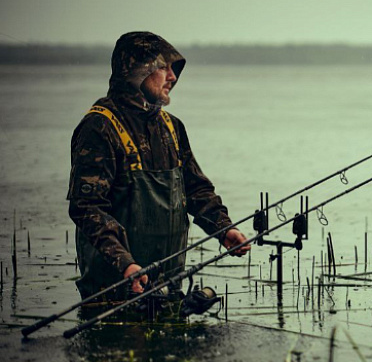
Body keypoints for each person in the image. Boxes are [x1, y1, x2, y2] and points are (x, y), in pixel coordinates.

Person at [68, 31, 249, 301]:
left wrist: (223, 229)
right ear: (137, 72)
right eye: (162, 67)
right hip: (112, 291)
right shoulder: (99, 127)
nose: (173, 77)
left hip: (168, 286)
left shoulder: (172, 127)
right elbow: (87, 208)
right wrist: (126, 263)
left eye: (173, 69)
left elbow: (196, 189)